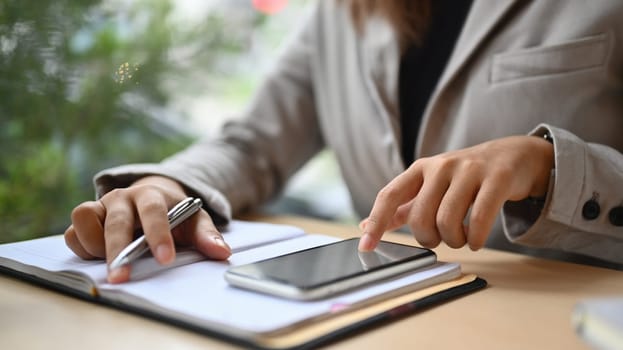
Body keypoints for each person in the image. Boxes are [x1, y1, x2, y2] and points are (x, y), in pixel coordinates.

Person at [65, 0, 623, 283]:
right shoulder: (341, 11)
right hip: (379, 321)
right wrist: (169, 185)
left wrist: (553, 169)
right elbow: (251, 145)